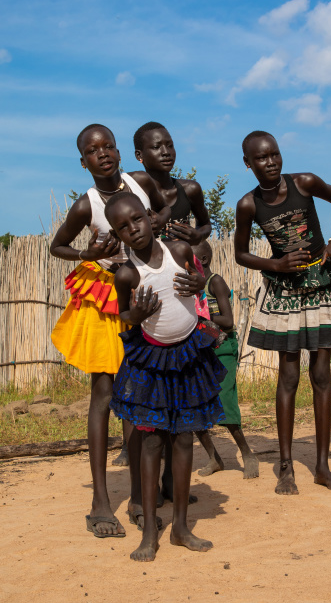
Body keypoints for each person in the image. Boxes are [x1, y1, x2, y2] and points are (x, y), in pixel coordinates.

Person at [50, 123, 175, 539]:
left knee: (140, 391)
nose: (102, 153)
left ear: (120, 152)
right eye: (92, 149)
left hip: (143, 289)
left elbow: (166, 207)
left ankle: (141, 497)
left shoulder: (140, 183)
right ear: (83, 160)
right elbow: (57, 246)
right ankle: (101, 502)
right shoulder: (85, 206)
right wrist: (88, 252)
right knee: (105, 392)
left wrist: (158, 221)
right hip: (104, 296)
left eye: (108, 146)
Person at [104, 191, 226, 561]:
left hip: (188, 353)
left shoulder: (179, 251)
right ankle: (150, 535)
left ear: (150, 217)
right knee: (152, 442)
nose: (134, 229)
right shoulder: (127, 274)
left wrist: (200, 284)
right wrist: (136, 317)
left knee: (185, 438)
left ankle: (181, 528)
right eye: (123, 227)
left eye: (137, 220)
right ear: (117, 235)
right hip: (152, 360)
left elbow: (199, 279)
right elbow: (122, 317)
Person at [235, 131, 331, 495]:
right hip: (285, 288)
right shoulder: (248, 205)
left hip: (321, 281)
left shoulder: (304, 182)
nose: (270, 162)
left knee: (321, 373)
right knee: (288, 375)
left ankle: (321, 466)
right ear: (248, 164)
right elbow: (241, 254)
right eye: (261, 158)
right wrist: (277, 263)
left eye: (274, 155)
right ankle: (285, 467)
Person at [133, 120, 212, 497]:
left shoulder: (189, 189)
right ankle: (141, 486)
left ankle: (169, 484)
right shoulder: (132, 189)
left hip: (184, 289)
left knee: (180, 386)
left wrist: (197, 236)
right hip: (147, 298)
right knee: (147, 391)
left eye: (169, 144)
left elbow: (206, 224)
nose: (165, 151)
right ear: (140, 155)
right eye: (156, 146)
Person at [192, 240, 259, 479]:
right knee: (194, 406)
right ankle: (214, 457)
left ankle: (247, 453)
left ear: (204, 260)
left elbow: (228, 321)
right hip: (199, 350)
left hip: (221, 347)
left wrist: (199, 318)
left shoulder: (215, 282)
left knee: (225, 401)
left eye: (189, 260)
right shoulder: (188, 286)